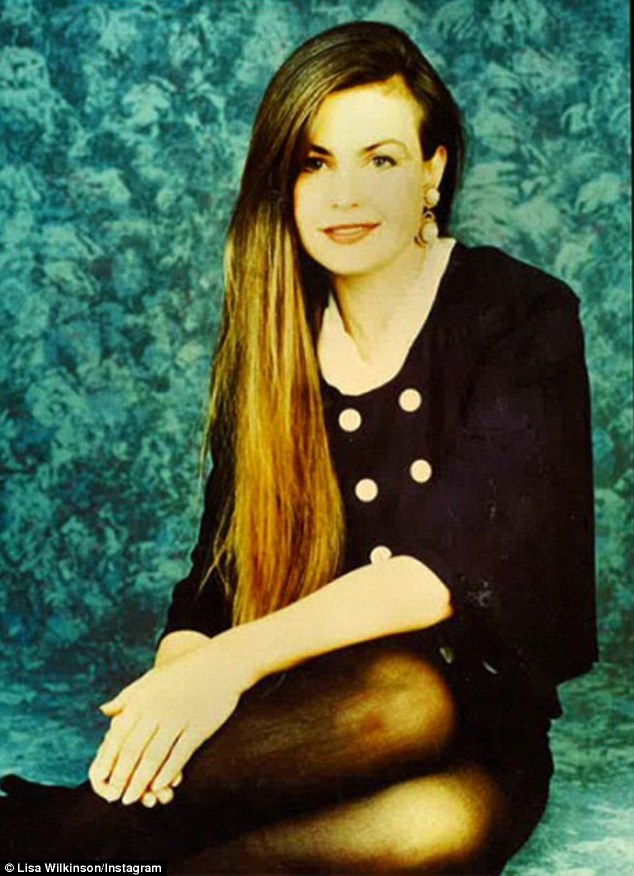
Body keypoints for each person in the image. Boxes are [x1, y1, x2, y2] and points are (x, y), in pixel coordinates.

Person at [0, 20, 597, 874]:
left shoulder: (522, 313)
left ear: (433, 171)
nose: (344, 193)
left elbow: (441, 568)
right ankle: (75, 845)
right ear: (283, 182)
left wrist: (228, 666)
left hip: (478, 722)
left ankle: (56, 842)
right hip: (311, 718)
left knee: (432, 816)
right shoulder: (275, 337)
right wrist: (181, 688)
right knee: (389, 718)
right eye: (315, 162)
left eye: (380, 159)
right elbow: (215, 583)